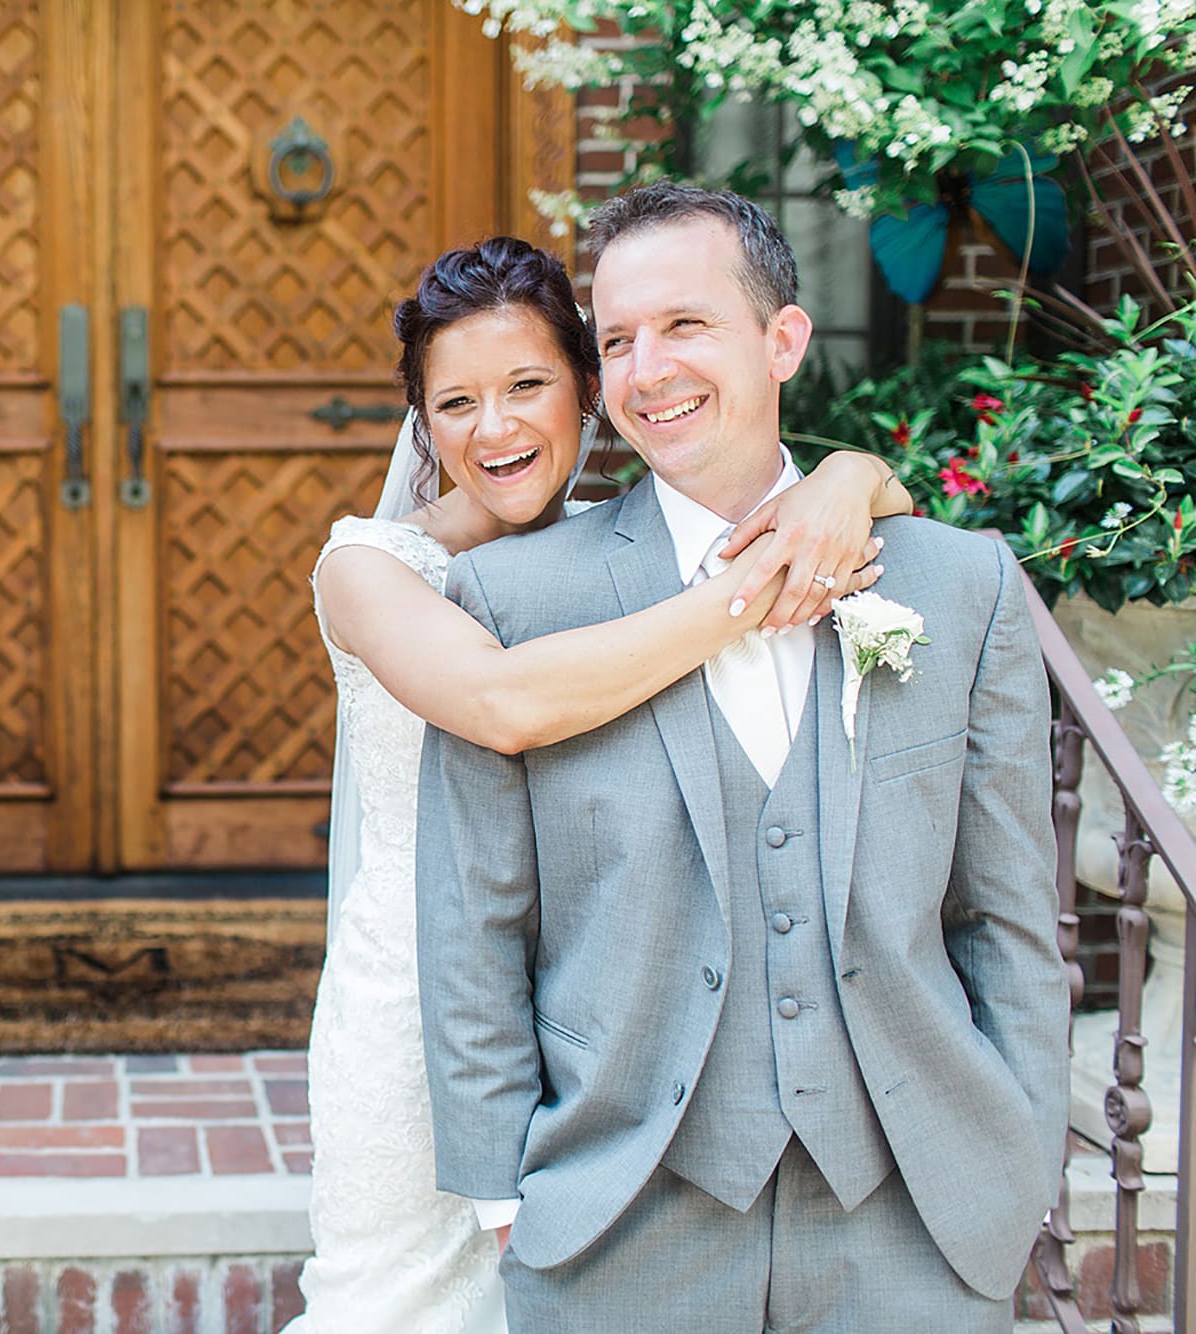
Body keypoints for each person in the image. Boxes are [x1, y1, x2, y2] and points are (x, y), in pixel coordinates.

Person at [415, 184, 1069, 1333]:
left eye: (684, 325)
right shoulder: (513, 601)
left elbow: (1005, 910)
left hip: (911, 1213)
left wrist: (1017, 1148)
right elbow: (474, 918)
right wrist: (499, 1188)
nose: (646, 368)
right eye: (615, 340)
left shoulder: (958, 586)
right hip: (622, 1210)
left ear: (781, 339)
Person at [290, 234, 913, 1334]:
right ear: (420, 423)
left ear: (586, 390)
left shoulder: (617, 548)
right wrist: (757, 579)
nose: (496, 429)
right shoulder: (366, 566)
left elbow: (886, 498)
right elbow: (503, 705)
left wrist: (845, 478)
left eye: (527, 386)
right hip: (413, 1002)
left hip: (596, 996)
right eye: (455, 403)